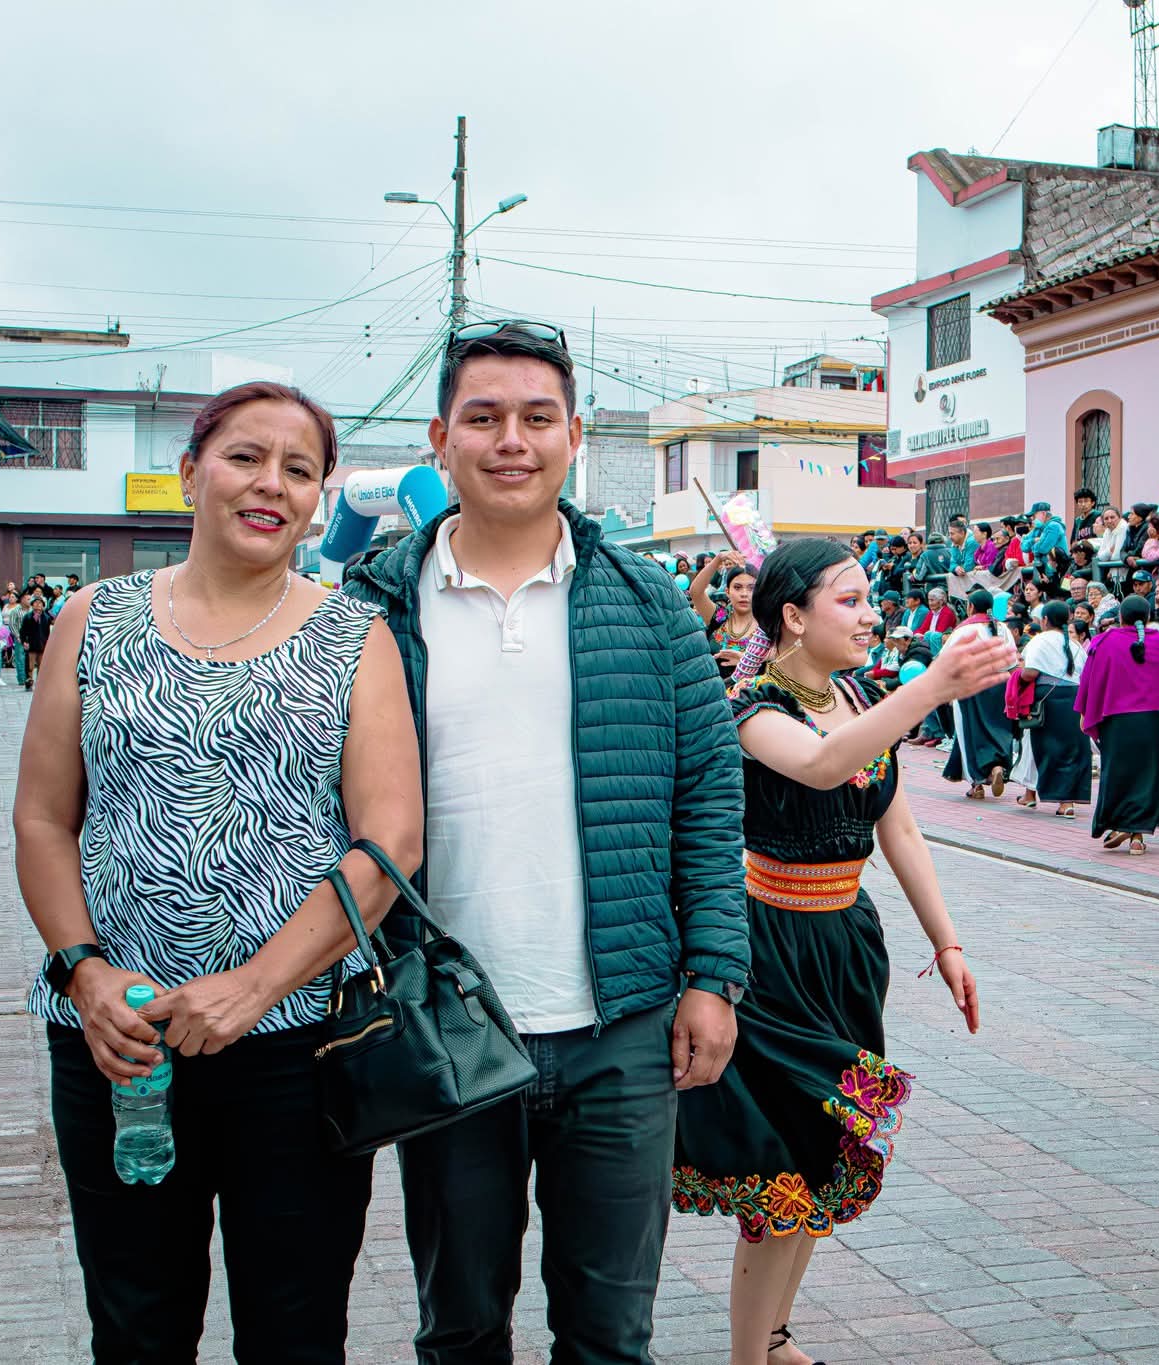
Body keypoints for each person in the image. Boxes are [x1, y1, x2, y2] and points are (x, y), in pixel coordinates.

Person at [342, 321, 749, 1364]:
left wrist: (714, 976)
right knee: (460, 1328)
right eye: (483, 417)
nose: (510, 441)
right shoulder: (373, 607)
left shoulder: (648, 605)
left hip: (622, 1027)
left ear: (574, 435)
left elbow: (708, 796)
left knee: (610, 1336)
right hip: (448, 1027)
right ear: (442, 438)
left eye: (536, 417)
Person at [14, 380, 424, 1362]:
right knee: (135, 1326)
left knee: (294, 1332)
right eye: (245, 457)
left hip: (298, 1047)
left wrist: (253, 987)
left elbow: (389, 844)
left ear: (319, 499)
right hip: (119, 1046)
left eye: (300, 469)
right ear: (190, 473)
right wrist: (83, 970)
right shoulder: (92, 618)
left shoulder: (354, 635)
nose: (271, 483)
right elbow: (41, 817)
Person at [672, 538, 998, 1365]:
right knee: (781, 1171)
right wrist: (932, 686)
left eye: (868, 598)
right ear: (792, 615)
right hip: (770, 957)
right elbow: (821, 766)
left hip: (847, 950)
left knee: (825, 1153)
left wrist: (947, 941)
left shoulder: (857, 695)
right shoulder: (752, 709)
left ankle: (776, 1336)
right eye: (848, 601)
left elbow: (900, 828)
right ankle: (749, 1357)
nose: (870, 615)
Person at [1074, 594, 1159, 854]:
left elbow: (1090, 679)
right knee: (1147, 776)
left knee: (1118, 773)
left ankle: (1122, 823)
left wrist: (1085, 711)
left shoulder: (1104, 641)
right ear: (1149, 617)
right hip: (1150, 721)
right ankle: (1137, 837)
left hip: (1116, 721)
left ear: (1120, 617)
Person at [1011, 599, 1089, 816]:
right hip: (1074, 699)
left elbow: (1030, 673)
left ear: (1044, 620)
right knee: (1070, 751)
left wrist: (1016, 675)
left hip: (1048, 701)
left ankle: (1062, 801)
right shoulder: (1075, 645)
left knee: (1046, 749)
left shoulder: (1040, 641)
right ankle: (1047, 798)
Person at [941, 589, 1016, 799]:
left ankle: (977, 784)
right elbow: (1012, 661)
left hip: (971, 685)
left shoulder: (964, 630)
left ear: (971, 606)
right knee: (997, 730)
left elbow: (946, 660)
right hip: (1000, 684)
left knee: (969, 732)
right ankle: (997, 767)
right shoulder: (1002, 628)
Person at [691, 550, 759, 678]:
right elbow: (696, 592)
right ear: (727, 591)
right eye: (737, 587)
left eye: (751, 588)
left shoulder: (767, 625)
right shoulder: (720, 616)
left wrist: (747, 662)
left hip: (752, 690)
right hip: (714, 688)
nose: (744, 594)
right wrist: (718, 559)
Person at [18, 593, 52, 691]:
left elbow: (48, 632)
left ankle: (40, 684)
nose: (38, 605)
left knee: (41, 666)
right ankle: (29, 683)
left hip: (42, 644)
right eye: (35, 603)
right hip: (31, 644)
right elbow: (23, 631)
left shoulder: (46, 617)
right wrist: (24, 641)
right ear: (32, 605)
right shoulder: (28, 617)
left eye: (40, 603)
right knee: (30, 666)